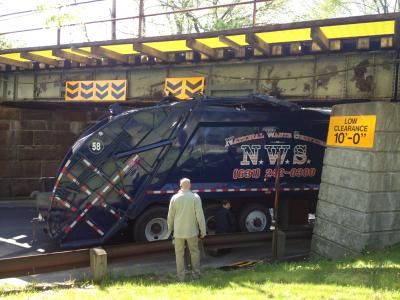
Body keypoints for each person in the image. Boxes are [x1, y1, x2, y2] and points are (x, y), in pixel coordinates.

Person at [167, 178, 206, 281]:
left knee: (179, 254)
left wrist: (169, 230)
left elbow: (170, 216)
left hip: (178, 232)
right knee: (194, 252)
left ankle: (181, 277)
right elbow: (200, 216)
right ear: (190, 186)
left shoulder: (174, 198)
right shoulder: (195, 197)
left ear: (180, 186)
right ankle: (196, 275)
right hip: (192, 231)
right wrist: (203, 231)